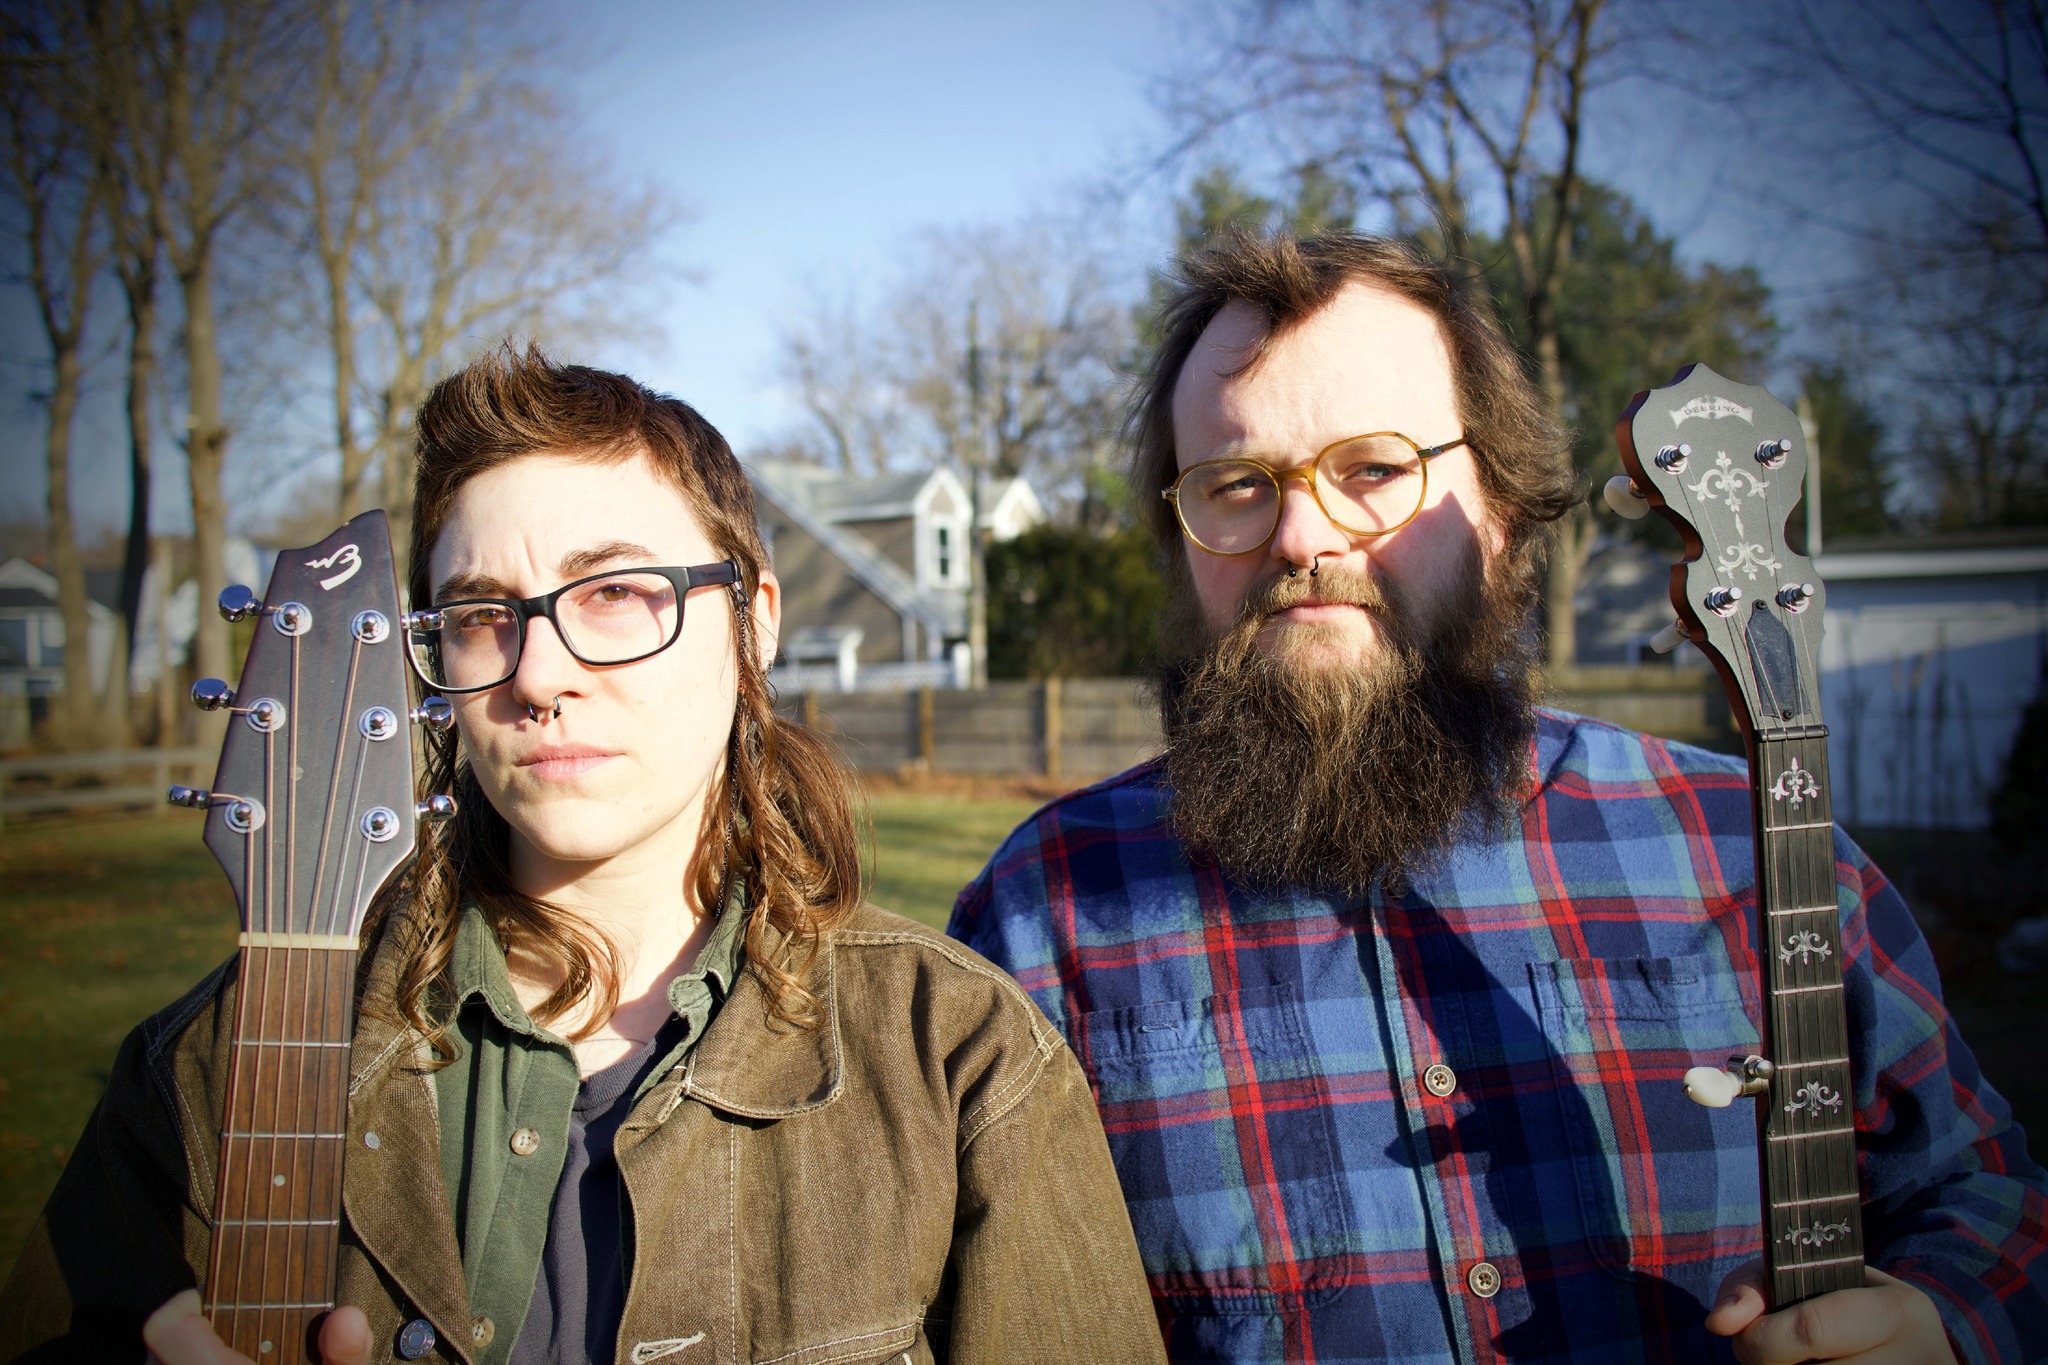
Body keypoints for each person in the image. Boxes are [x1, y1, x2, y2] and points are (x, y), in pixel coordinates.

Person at [947, 231, 2048, 1364]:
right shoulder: (1042, 916)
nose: (1300, 534)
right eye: (1235, 485)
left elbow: (1985, 1197)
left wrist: (1943, 1323)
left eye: (1371, 468)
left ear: (1501, 507)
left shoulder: (1746, 845)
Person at [2, 346, 1166, 1365]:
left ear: (752, 620)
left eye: (614, 593)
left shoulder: (956, 1055)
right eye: (476, 613)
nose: (537, 674)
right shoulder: (215, 1072)